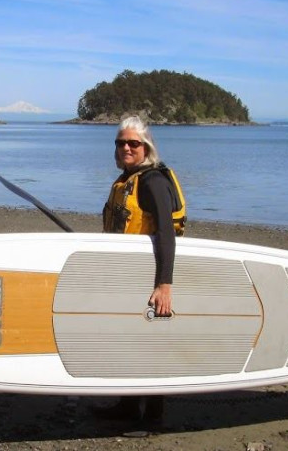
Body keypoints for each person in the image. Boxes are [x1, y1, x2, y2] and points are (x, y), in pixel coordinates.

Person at [93, 116, 186, 424]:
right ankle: (128, 406)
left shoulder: (152, 181)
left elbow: (165, 232)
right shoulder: (127, 180)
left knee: (149, 345)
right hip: (127, 273)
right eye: (121, 143)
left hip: (149, 274)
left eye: (134, 143)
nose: (126, 148)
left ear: (147, 148)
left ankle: (152, 418)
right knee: (126, 341)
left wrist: (165, 284)